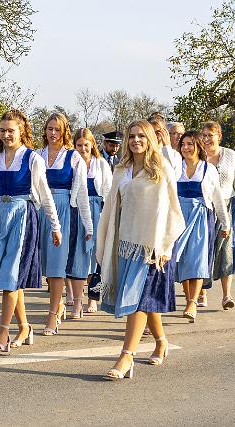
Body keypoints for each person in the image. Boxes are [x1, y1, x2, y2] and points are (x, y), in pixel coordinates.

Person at [0, 109, 61, 353]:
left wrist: (55, 226)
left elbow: (46, 195)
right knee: (11, 278)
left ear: (22, 132)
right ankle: (25, 327)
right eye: (2, 130)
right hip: (0, 218)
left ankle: (3, 332)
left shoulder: (32, 159)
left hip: (22, 217)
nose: (6, 135)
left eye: (11, 130)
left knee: (10, 277)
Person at [96, 120, 185, 379]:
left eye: (141, 136)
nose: (136, 140)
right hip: (125, 244)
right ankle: (161, 341)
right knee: (143, 301)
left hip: (151, 247)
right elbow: (112, 208)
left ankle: (126, 357)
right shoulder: (121, 169)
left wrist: (165, 245)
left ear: (150, 139)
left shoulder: (161, 169)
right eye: (132, 136)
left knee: (137, 301)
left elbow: (172, 211)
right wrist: (104, 243)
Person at [37, 113, 92, 334]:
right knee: (46, 266)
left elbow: (83, 195)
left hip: (62, 211)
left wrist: (89, 225)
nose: (53, 133)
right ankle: (58, 304)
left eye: (57, 129)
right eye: (50, 128)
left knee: (58, 265)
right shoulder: (37, 155)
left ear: (64, 131)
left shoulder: (74, 158)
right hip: (40, 209)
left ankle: (52, 315)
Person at [199, 121, 235, 310]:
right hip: (204, 207)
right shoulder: (198, 154)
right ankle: (201, 292)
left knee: (227, 250)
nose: (206, 139)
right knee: (203, 249)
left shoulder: (230, 155)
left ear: (219, 136)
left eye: (210, 135)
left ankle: (226, 295)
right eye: (204, 135)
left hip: (228, 206)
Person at [175, 131, 229, 322]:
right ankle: (189, 298)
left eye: (190, 144)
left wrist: (225, 223)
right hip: (179, 218)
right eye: (183, 144)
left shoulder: (208, 169)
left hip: (200, 218)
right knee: (181, 261)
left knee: (197, 260)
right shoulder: (175, 167)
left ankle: (192, 303)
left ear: (198, 146)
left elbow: (218, 199)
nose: (186, 148)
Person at [70, 128, 112, 315]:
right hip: (77, 210)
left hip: (97, 211)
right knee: (78, 256)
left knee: (98, 257)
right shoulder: (70, 162)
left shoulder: (101, 164)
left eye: (86, 145)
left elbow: (109, 192)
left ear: (92, 145)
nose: (83, 149)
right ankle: (77, 301)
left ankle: (93, 298)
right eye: (79, 145)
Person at [149, 113, 182, 179]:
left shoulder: (175, 155)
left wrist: (167, 147)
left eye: (158, 132)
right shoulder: (142, 153)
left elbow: (174, 176)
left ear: (165, 133)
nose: (153, 135)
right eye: (150, 132)